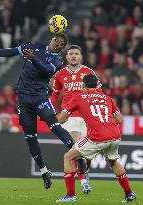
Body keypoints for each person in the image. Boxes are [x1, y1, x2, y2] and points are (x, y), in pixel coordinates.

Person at [0, 34, 86, 190]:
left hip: (40, 98)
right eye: (56, 40)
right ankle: (44, 172)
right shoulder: (35, 46)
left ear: (62, 48)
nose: (57, 43)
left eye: (61, 43)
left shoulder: (58, 61)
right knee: (30, 137)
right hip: (23, 100)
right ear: (51, 39)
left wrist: (32, 58)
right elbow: (10, 51)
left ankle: (79, 158)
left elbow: (45, 70)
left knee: (54, 126)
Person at [56, 74, 137, 203]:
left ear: (84, 86)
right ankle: (129, 194)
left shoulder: (79, 98)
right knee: (113, 162)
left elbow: (62, 119)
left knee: (68, 157)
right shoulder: (107, 98)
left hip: (96, 137)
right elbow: (120, 119)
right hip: (114, 135)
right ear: (96, 86)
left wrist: (51, 119)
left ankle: (70, 195)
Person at [51, 45, 102, 194]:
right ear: (66, 57)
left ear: (81, 57)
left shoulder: (88, 72)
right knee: (76, 143)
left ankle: (84, 176)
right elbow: (55, 95)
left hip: (86, 116)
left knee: (84, 153)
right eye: (71, 54)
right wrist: (54, 111)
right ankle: (82, 182)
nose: (73, 56)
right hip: (70, 115)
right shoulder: (60, 74)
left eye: (76, 54)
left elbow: (99, 93)